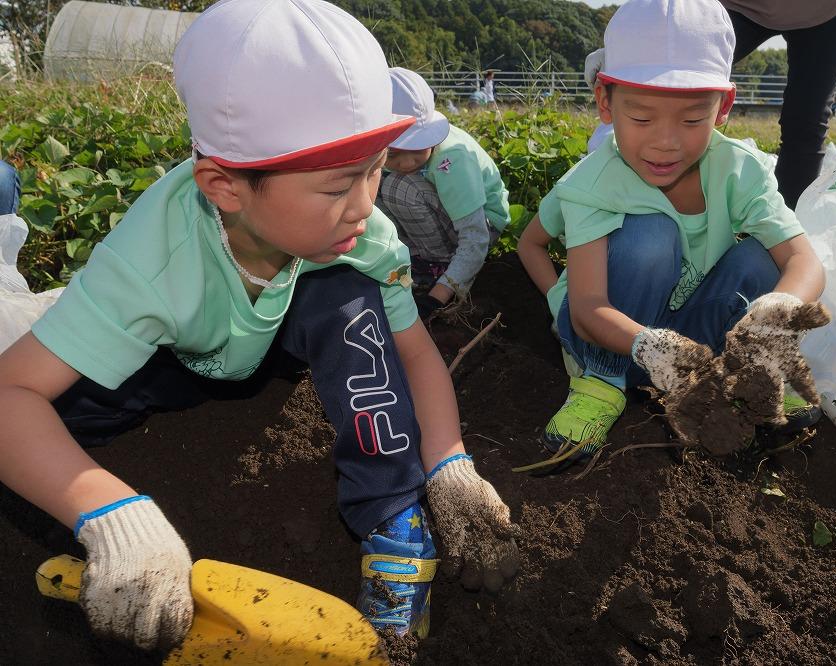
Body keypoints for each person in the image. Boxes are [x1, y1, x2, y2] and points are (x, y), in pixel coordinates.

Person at [0, 0, 517, 651]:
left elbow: (414, 355)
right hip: (175, 352)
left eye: (375, 170)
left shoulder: (361, 239)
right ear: (225, 185)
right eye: (336, 187)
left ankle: (394, 523)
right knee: (60, 422)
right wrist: (110, 514)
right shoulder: (152, 261)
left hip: (285, 339)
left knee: (347, 304)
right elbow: (10, 394)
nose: (364, 206)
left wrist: (448, 464)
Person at [525, 0, 829, 469]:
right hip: (609, 336)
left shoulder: (739, 172)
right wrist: (571, 308)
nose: (666, 142)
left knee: (759, 261)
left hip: (685, 347)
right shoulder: (592, 184)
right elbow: (587, 308)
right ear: (606, 102)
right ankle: (600, 384)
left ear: (723, 107)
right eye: (642, 118)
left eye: (691, 120)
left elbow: (804, 262)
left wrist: (773, 318)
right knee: (651, 235)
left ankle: (737, 377)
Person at [585, 0, 836, 210]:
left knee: (807, 121)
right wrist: (635, 52)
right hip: (738, 6)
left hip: (824, 10)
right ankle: (616, 198)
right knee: (661, 84)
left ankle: (783, 228)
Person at [378, 68, 511, 318]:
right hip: (445, 216)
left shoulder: (451, 159)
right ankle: (415, 260)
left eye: (417, 149)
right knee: (377, 189)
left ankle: (439, 267)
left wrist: (438, 297)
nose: (407, 164)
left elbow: (475, 237)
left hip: (484, 225)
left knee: (399, 187)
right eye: (393, 154)